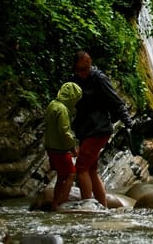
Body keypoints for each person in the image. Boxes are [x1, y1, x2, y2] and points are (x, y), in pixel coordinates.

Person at [70, 50, 133, 207]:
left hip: (99, 128)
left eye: (85, 69)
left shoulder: (99, 78)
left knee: (81, 168)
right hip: (85, 129)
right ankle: (102, 206)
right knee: (91, 169)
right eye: (79, 70)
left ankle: (88, 206)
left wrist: (128, 123)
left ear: (90, 63)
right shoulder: (74, 81)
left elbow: (116, 101)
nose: (83, 73)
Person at [44, 82, 82, 211]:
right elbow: (65, 131)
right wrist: (72, 148)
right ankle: (62, 203)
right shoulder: (62, 109)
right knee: (71, 174)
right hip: (60, 148)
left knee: (61, 175)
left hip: (50, 147)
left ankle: (55, 202)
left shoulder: (52, 105)